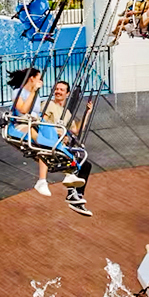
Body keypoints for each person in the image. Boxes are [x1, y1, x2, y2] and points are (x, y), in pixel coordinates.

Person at [34, 79, 95, 216]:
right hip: (50, 142)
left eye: (61, 90)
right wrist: (58, 132)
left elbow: (76, 130)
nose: (58, 91)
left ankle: (76, 195)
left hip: (61, 144)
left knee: (85, 164)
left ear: (67, 94)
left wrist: (87, 113)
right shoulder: (48, 104)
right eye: (56, 89)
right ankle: (72, 194)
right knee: (72, 161)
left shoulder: (66, 113)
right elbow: (41, 122)